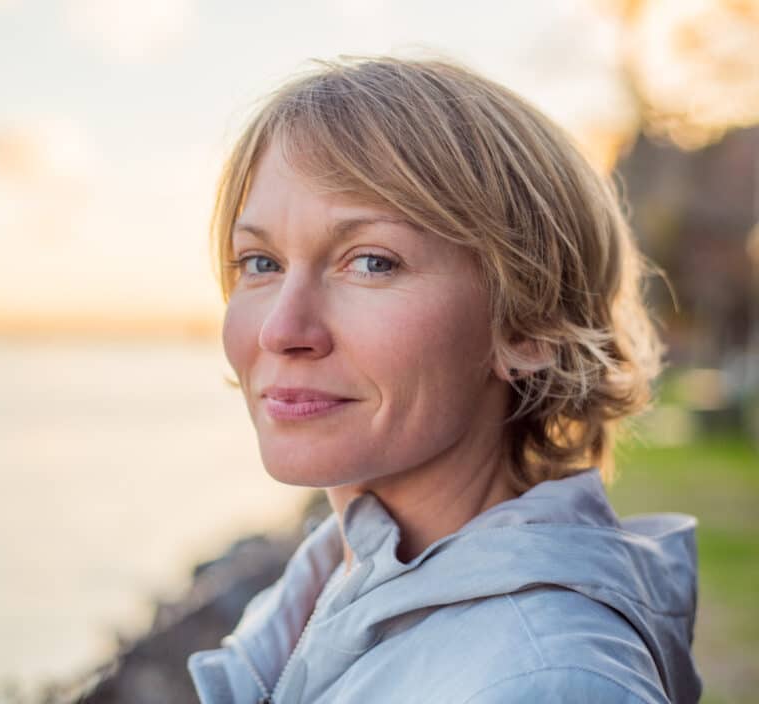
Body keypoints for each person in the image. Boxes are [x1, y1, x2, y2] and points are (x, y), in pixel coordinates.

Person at [186, 57, 702, 703]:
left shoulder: (544, 681)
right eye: (260, 262)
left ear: (529, 323)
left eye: (372, 262)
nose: (281, 330)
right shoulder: (315, 591)